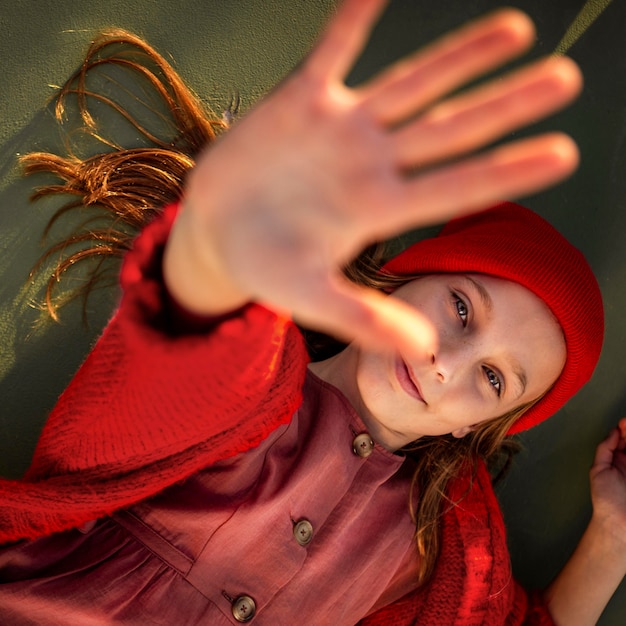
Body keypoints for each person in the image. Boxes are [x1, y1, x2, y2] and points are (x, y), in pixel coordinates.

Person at [0, 1, 624, 624]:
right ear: (401, 282)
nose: (446, 363)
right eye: (461, 308)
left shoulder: (435, 556)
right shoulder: (248, 379)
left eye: (493, 379)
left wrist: (614, 541)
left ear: (478, 426)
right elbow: (176, 346)